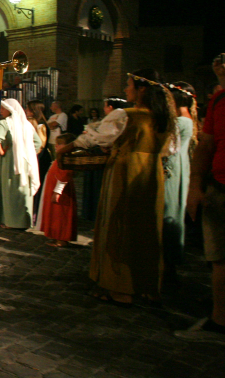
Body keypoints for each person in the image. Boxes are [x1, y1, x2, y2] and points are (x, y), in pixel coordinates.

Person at [59, 68, 175, 306]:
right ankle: (146, 285)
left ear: (141, 89)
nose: (125, 89)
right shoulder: (163, 117)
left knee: (120, 225)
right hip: (151, 175)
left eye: (129, 85)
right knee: (146, 228)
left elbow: (94, 138)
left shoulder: (126, 115)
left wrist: (66, 148)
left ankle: (120, 287)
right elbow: (170, 150)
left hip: (126, 171)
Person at [178, 57, 225, 343]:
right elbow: (207, 144)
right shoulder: (220, 100)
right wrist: (196, 186)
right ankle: (219, 318)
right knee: (218, 258)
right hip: (220, 185)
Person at [163, 82, 197, 285]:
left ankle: (167, 265)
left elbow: (169, 147)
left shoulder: (179, 121)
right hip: (179, 167)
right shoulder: (187, 119)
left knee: (169, 211)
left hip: (172, 169)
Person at [0, 98, 41, 229]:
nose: (1, 111)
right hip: (25, 162)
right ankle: (24, 221)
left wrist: (2, 152)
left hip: (10, 162)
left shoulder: (4, 123)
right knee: (23, 190)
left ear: (10, 110)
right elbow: (38, 143)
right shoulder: (27, 125)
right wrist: (27, 153)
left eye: (3, 108)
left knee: (10, 191)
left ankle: (11, 221)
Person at [80, 98, 127, 223]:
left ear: (110, 108)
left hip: (104, 159)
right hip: (100, 155)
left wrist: (91, 135)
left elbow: (107, 138)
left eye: (105, 106)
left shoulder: (115, 119)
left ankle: (99, 216)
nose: (104, 109)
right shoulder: (110, 120)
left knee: (100, 188)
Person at [39, 133, 78, 247]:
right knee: (54, 213)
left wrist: (58, 191)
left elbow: (65, 175)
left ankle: (62, 238)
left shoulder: (67, 159)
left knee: (61, 215)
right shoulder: (61, 157)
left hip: (61, 193)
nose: (56, 146)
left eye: (60, 144)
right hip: (53, 188)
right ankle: (56, 236)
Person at [26, 101, 51, 226]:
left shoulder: (41, 126)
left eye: (28, 109)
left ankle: (35, 214)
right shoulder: (35, 124)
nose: (26, 111)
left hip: (40, 159)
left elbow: (40, 145)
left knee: (37, 186)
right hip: (35, 157)